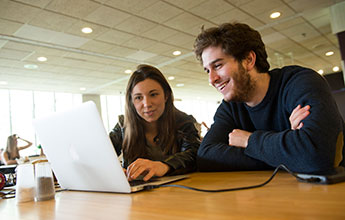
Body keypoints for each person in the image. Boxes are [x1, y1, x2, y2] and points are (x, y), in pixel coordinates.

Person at [193, 22, 345, 173]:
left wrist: (248, 141)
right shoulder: (230, 106)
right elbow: (206, 156)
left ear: (248, 60)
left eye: (218, 66)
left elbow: (317, 155)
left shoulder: (300, 82)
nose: (211, 79)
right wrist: (288, 149)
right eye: (207, 70)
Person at [109, 64, 200, 181]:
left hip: (178, 192)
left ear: (166, 96)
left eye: (153, 95)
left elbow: (194, 154)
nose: (147, 104)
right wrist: (112, 170)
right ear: (132, 102)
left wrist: (164, 166)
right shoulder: (123, 125)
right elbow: (101, 152)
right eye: (138, 97)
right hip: (137, 193)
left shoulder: (183, 122)